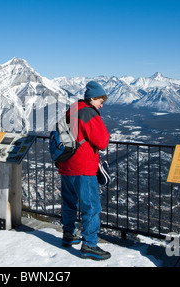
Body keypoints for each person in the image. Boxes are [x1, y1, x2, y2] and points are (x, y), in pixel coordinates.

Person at [57, 80, 111, 261]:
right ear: (92, 98)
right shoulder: (89, 113)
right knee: (91, 207)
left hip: (66, 165)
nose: (101, 105)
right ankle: (89, 245)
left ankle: (68, 235)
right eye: (100, 101)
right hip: (83, 167)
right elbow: (102, 141)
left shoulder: (72, 109)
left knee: (69, 202)